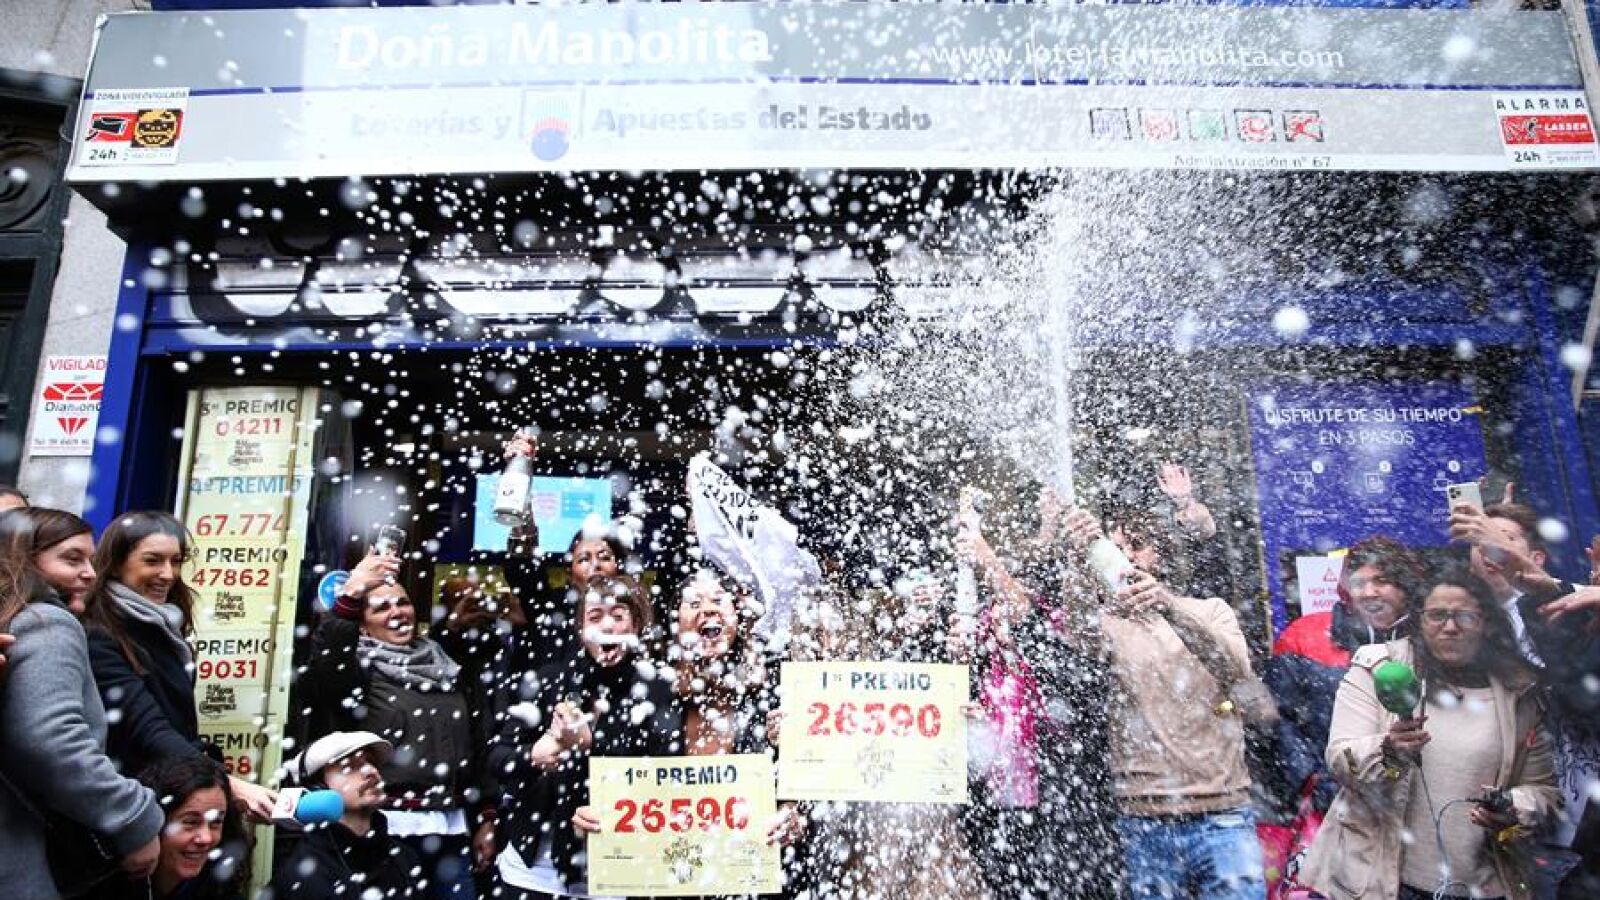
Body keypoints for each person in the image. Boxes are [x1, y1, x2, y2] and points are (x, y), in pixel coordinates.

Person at [1301, 567, 1560, 900]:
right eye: (1437, 616)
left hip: (1482, 885)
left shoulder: (1519, 690)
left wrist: (1512, 808)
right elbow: (1341, 759)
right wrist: (1387, 750)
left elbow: (1543, 792)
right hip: (1380, 883)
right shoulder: (1379, 667)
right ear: (1419, 621)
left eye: (1464, 616)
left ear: (1487, 623)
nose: (1450, 627)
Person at [1058, 504, 1265, 900]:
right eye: (1115, 549)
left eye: (1136, 545)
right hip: (1146, 817)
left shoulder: (1210, 610)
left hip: (1222, 813)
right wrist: (1079, 556)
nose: (1126, 558)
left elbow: (1236, 671)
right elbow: (1079, 627)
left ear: (1163, 551)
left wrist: (1168, 605)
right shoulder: (1111, 625)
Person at [307, 550, 495, 900]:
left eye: (403, 603)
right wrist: (353, 590)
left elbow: (476, 747)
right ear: (362, 625)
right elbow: (329, 657)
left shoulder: (446, 665)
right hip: (386, 832)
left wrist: (486, 816)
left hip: (451, 830)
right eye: (382, 608)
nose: (397, 613)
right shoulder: (358, 673)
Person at [0, 507, 164, 900]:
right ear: (23, 558)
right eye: (72, 559)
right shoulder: (46, 622)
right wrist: (135, 818)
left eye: (90, 559)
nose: (90, 573)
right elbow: (50, 741)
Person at [487, 573, 683, 899]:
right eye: (595, 616)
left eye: (618, 616)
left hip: (619, 871)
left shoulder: (658, 689)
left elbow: (665, 772)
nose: (607, 626)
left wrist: (592, 747)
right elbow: (497, 758)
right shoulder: (548, 681)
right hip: (533, 873)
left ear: (636, 626)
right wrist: (534, 754)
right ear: (580, 629)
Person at [81, 511, 276, 821]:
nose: (168, 574)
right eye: (152, 561)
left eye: (176, 561)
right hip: (135, 805)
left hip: (170, 794)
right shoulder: (99, 635)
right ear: (116, 564)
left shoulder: (160, 626)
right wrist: (229, 786)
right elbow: (146, 727)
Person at [1265, 537, 1427, 816]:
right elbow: (1280, 721)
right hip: (1336, 801)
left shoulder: (1431, 637)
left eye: (1382, 581)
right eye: (1359, 583)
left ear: (1405, 588)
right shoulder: (1305, 635)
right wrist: (1313, 783)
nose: (1369, 592)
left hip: (1415, 798)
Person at [270, 730, 424, 899]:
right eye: (349, 767)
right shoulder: (300, 877)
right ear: (318, 789)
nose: (371, 771)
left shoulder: (405, 858)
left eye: (371, 761)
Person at [89, 755, 252, 900]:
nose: (206, 838)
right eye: (191, 822)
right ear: (154, 822)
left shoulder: (220, 889)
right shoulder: (100, 887)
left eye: (216, 822)